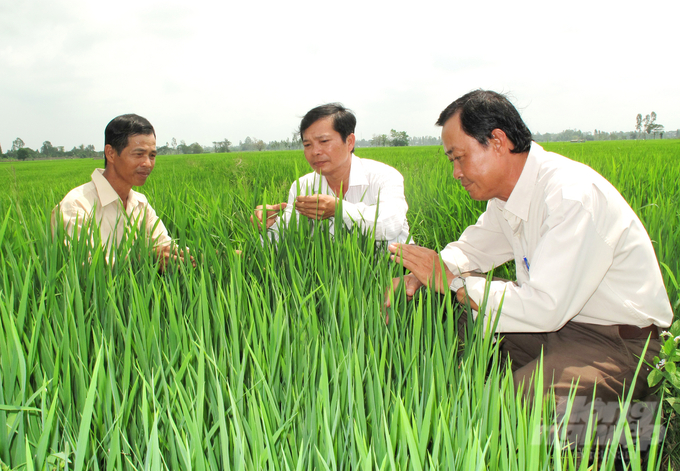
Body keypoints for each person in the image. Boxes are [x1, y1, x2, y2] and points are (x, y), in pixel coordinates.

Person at [388, 90, 673, 404]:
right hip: (555, 328)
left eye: (459, 157)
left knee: (503, 408)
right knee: (445, 306)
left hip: (617, 343)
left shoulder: (571, 196)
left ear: (498, 141)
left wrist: (452, 281)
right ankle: (461, 388)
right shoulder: (508, 197)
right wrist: (422, 275)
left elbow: (546, 306)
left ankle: (629, 433)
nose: (455, 173)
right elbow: (472, 250)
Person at [251, 103, 410, 245]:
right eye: (307, 145)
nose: (315, 152)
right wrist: (270, 226)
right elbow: (288, 239)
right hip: (335, 272)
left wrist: (339, 209)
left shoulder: (384, 176)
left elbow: (391, 223)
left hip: (394, 269)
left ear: (349, 142)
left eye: (324, 142)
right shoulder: (303, 186)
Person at [54, 113, 184, 266]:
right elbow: (81, 269)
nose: (148, 163)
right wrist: (145, 261)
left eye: (152, 155)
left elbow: (165, 247)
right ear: (111, 153)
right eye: (139, 154)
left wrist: (195, 258)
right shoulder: (77, 205)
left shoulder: (140, 204)